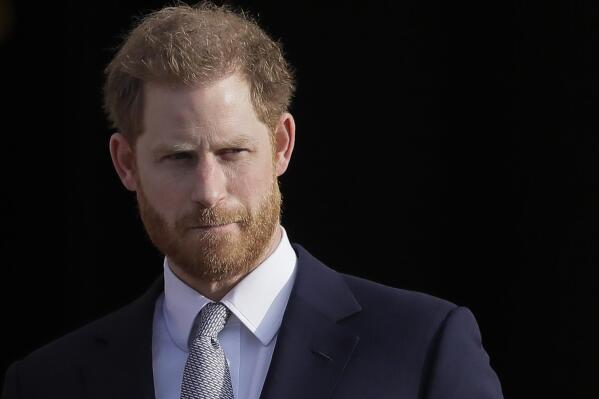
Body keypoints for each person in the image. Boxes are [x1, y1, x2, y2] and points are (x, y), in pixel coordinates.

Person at [2, 2, 504, 398]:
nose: (208, 191)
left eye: (232, 151)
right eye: (177, 158)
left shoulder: (420, 348)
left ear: (282, 144)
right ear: (126, 164)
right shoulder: (50, 382)